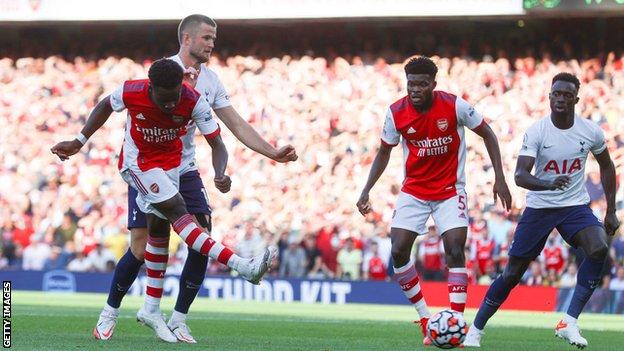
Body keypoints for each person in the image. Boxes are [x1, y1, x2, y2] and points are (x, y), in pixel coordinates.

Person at [88, 14, 296, 343]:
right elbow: (121, 104)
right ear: (186, 39)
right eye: (207, 38)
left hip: (183, 167)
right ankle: (110, 311)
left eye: (214, 38)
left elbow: (234, 124)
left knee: (199, 236)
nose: (212, 43)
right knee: (141, 247)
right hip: (146, 165)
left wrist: (270, 152)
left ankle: (179, 318)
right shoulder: (162, 72)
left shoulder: (211, 82)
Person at [51, 58, 278, 343]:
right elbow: (106, 104)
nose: (171, 105)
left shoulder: (193, 100)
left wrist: (220, 172)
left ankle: (150, 310)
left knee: (158, 234)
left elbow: (217, 143)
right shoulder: (133, 91)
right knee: (176, 213)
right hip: (138, 164)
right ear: (151, 89)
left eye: (176, 98)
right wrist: (80, 140)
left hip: (171, 167)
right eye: (165, 99)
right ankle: (243, 266)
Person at [356, 56, 512, 345]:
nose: (415, 89)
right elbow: (384, 152)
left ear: (433, 84)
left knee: (454, 248)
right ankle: (426, 318)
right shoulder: (396, 113)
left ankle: (456, 321)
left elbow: (488, 133)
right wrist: (366, 190)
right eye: (411, 84)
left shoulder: (454, 105)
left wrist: (499, 178)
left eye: (421, 84)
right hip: (414, 191)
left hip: (450, 190)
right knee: (399, 250)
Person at [464, 73, 620, 349]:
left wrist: (610, 209)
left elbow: (607, 166)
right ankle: (476, 329)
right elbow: (520, 176)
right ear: (549, 97)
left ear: (576, 99)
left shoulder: (590, 131)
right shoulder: (537, 131)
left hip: (574, 206)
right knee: (512, 273)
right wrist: (547, 184)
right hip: (540, 207)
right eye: (556, 94)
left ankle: (569, 322)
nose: (560, 98)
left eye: (567, 95)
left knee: (598, 247)